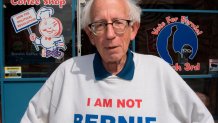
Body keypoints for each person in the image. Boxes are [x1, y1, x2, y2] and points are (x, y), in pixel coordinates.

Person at [21, 0, 214, 123]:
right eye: (100, 25)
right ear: (90, 35)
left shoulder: (159, 72)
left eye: (119, 23)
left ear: (134, 29)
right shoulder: (68, 73)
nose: (110, 34)